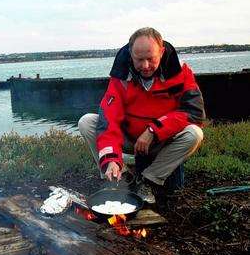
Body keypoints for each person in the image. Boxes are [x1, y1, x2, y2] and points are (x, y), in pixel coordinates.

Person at [78, 27, 206, 204]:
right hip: (130, 139)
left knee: (194, 133)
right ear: (130, 54)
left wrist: (153, 130)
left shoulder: (180, 72)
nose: (145, 66)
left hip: (161, 140)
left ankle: (148, 180)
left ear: (161, 52)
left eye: (151, 59)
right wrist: (111, 159)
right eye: (139, 59)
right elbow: (109, 121)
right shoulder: (120, 77)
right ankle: (120, 176)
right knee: (87, 122)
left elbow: (194, 113)